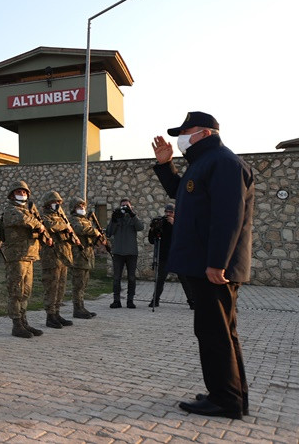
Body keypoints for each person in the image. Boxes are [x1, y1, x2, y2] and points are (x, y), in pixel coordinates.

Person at [152, 111, 253, 420]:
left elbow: (228, 217)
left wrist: (216, 263)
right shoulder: (204, 163)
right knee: (222, 332)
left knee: (214, 334)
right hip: (205, 266)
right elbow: (183, 193)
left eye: (186, 131)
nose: (180, 138)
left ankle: (225, 400)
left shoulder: (223, 162)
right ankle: (230, 394)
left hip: (212, 269)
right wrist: (165, 164)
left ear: (206, 133)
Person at [2, 181, 49, 338]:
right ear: (12, 194)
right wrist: (38, 225)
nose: (22, 195)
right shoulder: (11, 210)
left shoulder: (29, 210)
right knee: (16, 291)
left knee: (26, 291)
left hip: (29, 255)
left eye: (24, 192)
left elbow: (37, 223)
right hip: (16, 256)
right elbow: (24, 220)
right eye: (19, 192)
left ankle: (24, 321)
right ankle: (16, 324)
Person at [39, 190, 80, 329]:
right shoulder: (44, 216)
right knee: (51, 287)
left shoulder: (61, 217)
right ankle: (50, 316)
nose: (56, 205)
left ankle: (57, 313)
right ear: (47, 203)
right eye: (53, 202)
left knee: (60, 287)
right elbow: (50, 226)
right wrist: (65, 227)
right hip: (51, 256)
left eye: (58, 202)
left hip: (63, 256)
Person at [147, 203, 194, 308]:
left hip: (178, 255)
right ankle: (155, 300)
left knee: (184, 279)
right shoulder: (161, 222)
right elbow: (151, 240)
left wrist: (175, 224)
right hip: (164, 255)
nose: (168, 214)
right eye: (166, 212)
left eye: (171, 212)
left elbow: (185, 237)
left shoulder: (180, 223)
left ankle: (192, 301)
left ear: (175, 213)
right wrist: (153, 229)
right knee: (160, 279)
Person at [68, 197, 104, 319]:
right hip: (78, 256)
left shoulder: (85, 221)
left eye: (83, 206)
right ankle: (77, 308)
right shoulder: (73, 220)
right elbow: (79, 229)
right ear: (74, 208)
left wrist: (98, 237)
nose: (82, 208)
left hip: (87, 256)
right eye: (79, 206)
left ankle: (81, 307)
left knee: (83, 284)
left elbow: (91, 236)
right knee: (78, 284)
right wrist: (94, 231)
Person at [107, 198, 144, 308]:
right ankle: (116, 300)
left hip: (131, 252)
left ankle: (130, 300)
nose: (125, 208)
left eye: (127, 206)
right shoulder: (117, 218)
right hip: (118, 252)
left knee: (131, 277)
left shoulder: (133, 218)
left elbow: (140, 227)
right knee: (117, 277)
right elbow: (109, 232)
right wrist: (114, 219)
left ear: (131, 207)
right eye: (123, 206)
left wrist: (132, 214)